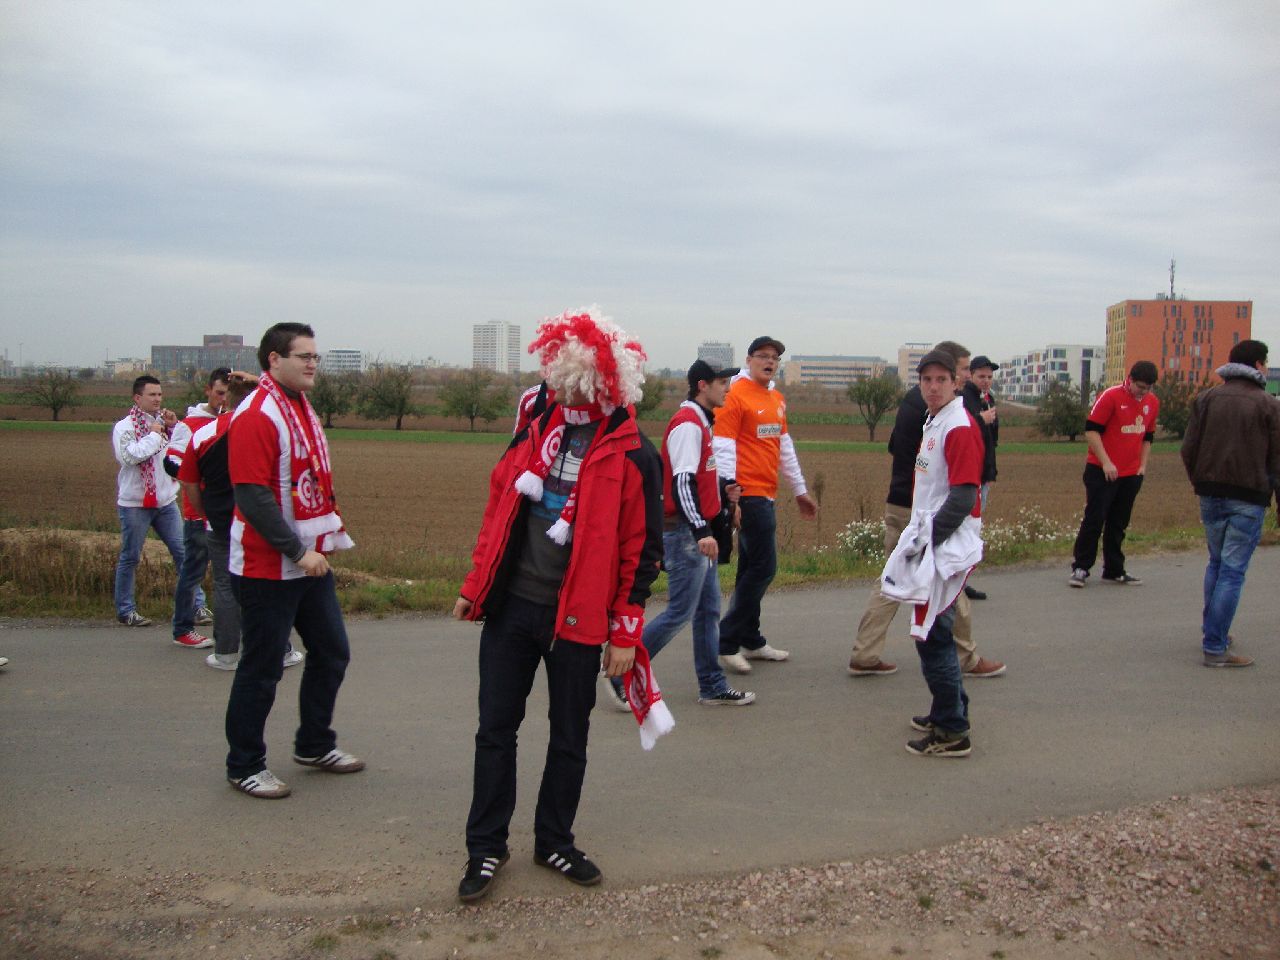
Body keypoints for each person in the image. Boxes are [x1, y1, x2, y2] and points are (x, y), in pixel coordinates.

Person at [452, 306, 661, 903]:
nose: (559, 385)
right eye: (557, 374)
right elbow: (499, 511)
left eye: (571, 376)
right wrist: (476, 584)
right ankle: (486, 847)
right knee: (495, 730)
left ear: (602, 378)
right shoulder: (534, 429)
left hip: (580, 621)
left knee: (569, 735)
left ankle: (554, 841)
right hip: (514, 609)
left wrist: (625, 632)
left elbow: (639, 553)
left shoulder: (633, 452)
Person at [223, 324, 361, 799]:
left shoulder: (300, 407)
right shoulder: (259, 414)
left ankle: (314, 743)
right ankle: (244, 764)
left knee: (332, 651)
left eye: (315, 356)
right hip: (269, 566)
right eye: (302, 356)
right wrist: (297, 551)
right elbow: (253, 496)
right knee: (261, 669)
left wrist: (312, 551)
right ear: (273, 360)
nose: (312, 364)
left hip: (308, 561)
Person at [847, 341, 1005, 679]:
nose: (964, 376)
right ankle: (963, 662)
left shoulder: (924, 405)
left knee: (901, 580)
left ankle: (867, 651)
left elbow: (897, 447)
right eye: (963, 369)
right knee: (917, 583)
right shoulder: (936, 411)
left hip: (912, 502)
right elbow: (933, 463)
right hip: (917, 508)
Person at [604, 360, 754, 710]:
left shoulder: (700, 421)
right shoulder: (688, 424)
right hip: (686, 533)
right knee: (680, 612)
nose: (727, 388)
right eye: (721, 382)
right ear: (702, 385)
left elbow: (695, 476)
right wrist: (702, 530)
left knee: (706, 612)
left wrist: (721, 488)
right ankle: (618, 672)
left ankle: (712, 685)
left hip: (695, 531)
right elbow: (681, 482)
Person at [879, 350, 984, 757]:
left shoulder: (957, 425)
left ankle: (952, 731)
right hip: (933, 538)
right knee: (934, 633)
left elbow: (963, 496)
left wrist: (927, 543)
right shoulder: (935, 420)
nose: (934, 386)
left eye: (941, 379)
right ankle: (950, 710)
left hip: (945, 543)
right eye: (926, 380)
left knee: (933, 637)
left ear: (955, 383)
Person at [180, 373, 306, 673]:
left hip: (220, 524)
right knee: (270, 589)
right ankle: (281, 650)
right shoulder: (272, 432)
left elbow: (189, 483)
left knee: (225, 587)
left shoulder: (204, 434)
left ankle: (226, 654)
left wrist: (206, 513)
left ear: (226, 399)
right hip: (262, 525)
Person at [712, 336, 816, 674]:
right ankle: (727, 641)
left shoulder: (775, 399)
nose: (769, 362)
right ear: (749, 359)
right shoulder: (735, 395)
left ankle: (750, 638)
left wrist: (800, 490)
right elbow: (724, 446)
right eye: (763, 356)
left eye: (774, 358)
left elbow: (783, 447)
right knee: (764, 568)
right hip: (747, 494)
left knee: (750, 567)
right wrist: (730, 493)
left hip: (767, 492)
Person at [1180, 340, 1279, 668]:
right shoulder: (1268, 405)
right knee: (1233, 572)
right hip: (1248, 497)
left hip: (1210, 494)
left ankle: (1214, 631)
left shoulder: (1206, 398)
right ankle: (1215, 647)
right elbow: (1277, 461)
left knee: (1217, 564)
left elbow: (1188, 448)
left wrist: (1200, 481)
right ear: (1258, 365)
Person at [111, 375, 207, 646]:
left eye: (160, 394)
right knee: (130, 557)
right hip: (135, 504)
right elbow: (130, 456)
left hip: (165, 501)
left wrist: (173, 427)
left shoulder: (163, 425)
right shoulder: (126, 427)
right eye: (151, 395)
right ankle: (126, 610)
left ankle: (197, 607)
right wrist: (155, 434)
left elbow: (178, 453)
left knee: (184, 555)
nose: (157, 399)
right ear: (137, 398)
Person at [1068, 361, 1160, 587]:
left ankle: (1114, 568)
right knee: (1095, 519)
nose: (1143, 392)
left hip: (1131, 473)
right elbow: (1091, 431)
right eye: (1139, 386)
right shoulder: (1110, 397)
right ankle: (1081, 567)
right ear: (1129, 379)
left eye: (1147, 388)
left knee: (1119, 522)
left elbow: (1147, 437)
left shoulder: (1152, 402)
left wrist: (1142, 466)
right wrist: (1106, 462)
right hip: (1102, 471)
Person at [164, 368, 231, 632]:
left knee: (230, 577)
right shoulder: (189, 425)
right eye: (219, 394)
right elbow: (170, 462)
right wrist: (199, 481)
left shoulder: (233, 421)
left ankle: (231, 635)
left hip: (226, 514)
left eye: (227, 395)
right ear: (208, 391)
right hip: (198, 514)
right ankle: (182, 628)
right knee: (192, 575)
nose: (222, 400)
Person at [960, 356, 1000, 600]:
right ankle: (958, 582)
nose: (985, 381)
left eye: (989, 377)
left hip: (983, 472)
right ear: (971, 376)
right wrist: (980, 420)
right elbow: (961, 430)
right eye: (981, 376)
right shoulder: (965, 399)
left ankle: (963, 580)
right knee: (966, 528)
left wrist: (991, 472)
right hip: (970, 473)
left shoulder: (988, 399)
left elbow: (991, 441)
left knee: (972, 530)